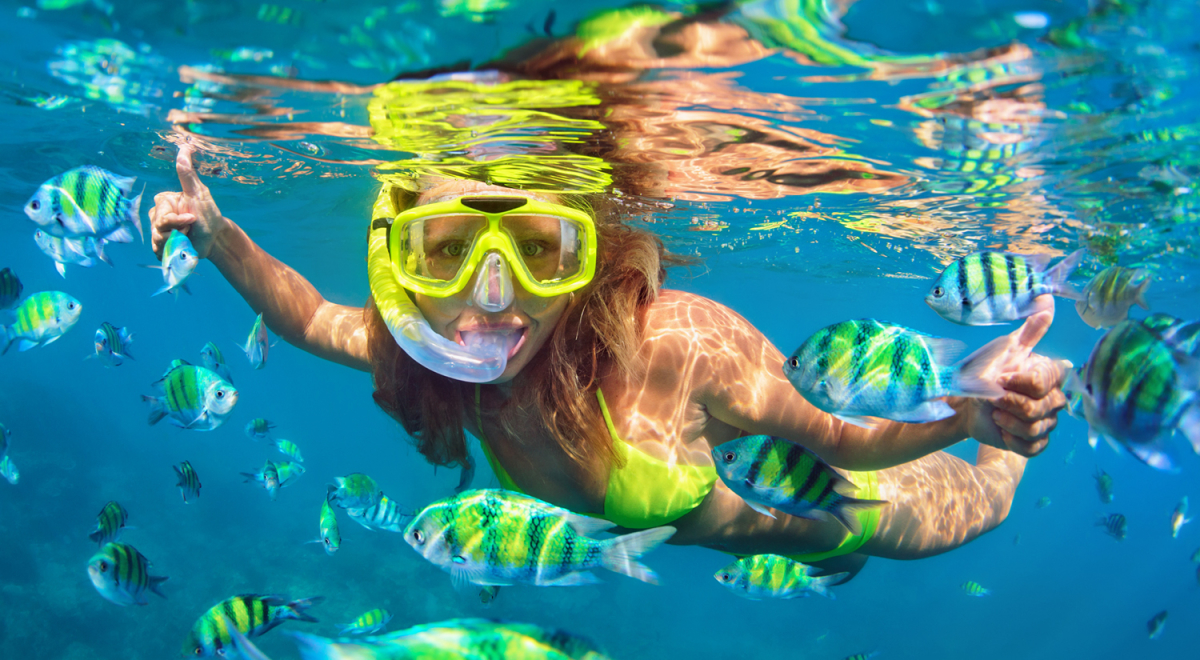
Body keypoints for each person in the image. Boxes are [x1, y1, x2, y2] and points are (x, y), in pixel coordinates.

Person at [149, 4, 1068, 581]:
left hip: (828, 515)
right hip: (723, 519)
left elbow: (843, 438)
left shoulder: (675, 345)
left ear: (586, 259)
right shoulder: (423, 356)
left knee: (984, 504)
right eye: (448, 251)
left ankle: (1021, 388)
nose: (492, 297)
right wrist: (217, 233)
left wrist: (972, 419)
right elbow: (309, 316)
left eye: (540, 250)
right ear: (400, 259)